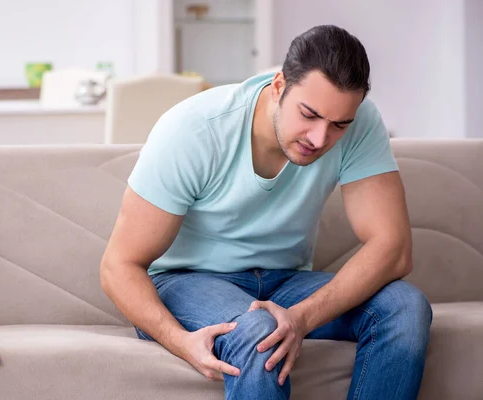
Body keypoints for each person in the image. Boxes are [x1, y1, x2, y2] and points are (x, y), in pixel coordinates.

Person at [100, 25, 432, 400]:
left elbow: (393, 248)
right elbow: (119, 266)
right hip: (188, 281)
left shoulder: (361, 123)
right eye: (309, 114)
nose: (319, 139)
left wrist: (302, 318)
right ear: (278, 86)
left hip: (285, 281)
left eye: (339, 125)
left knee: (404, 306)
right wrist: (179, 341)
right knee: (260, 331)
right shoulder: (196, 130)